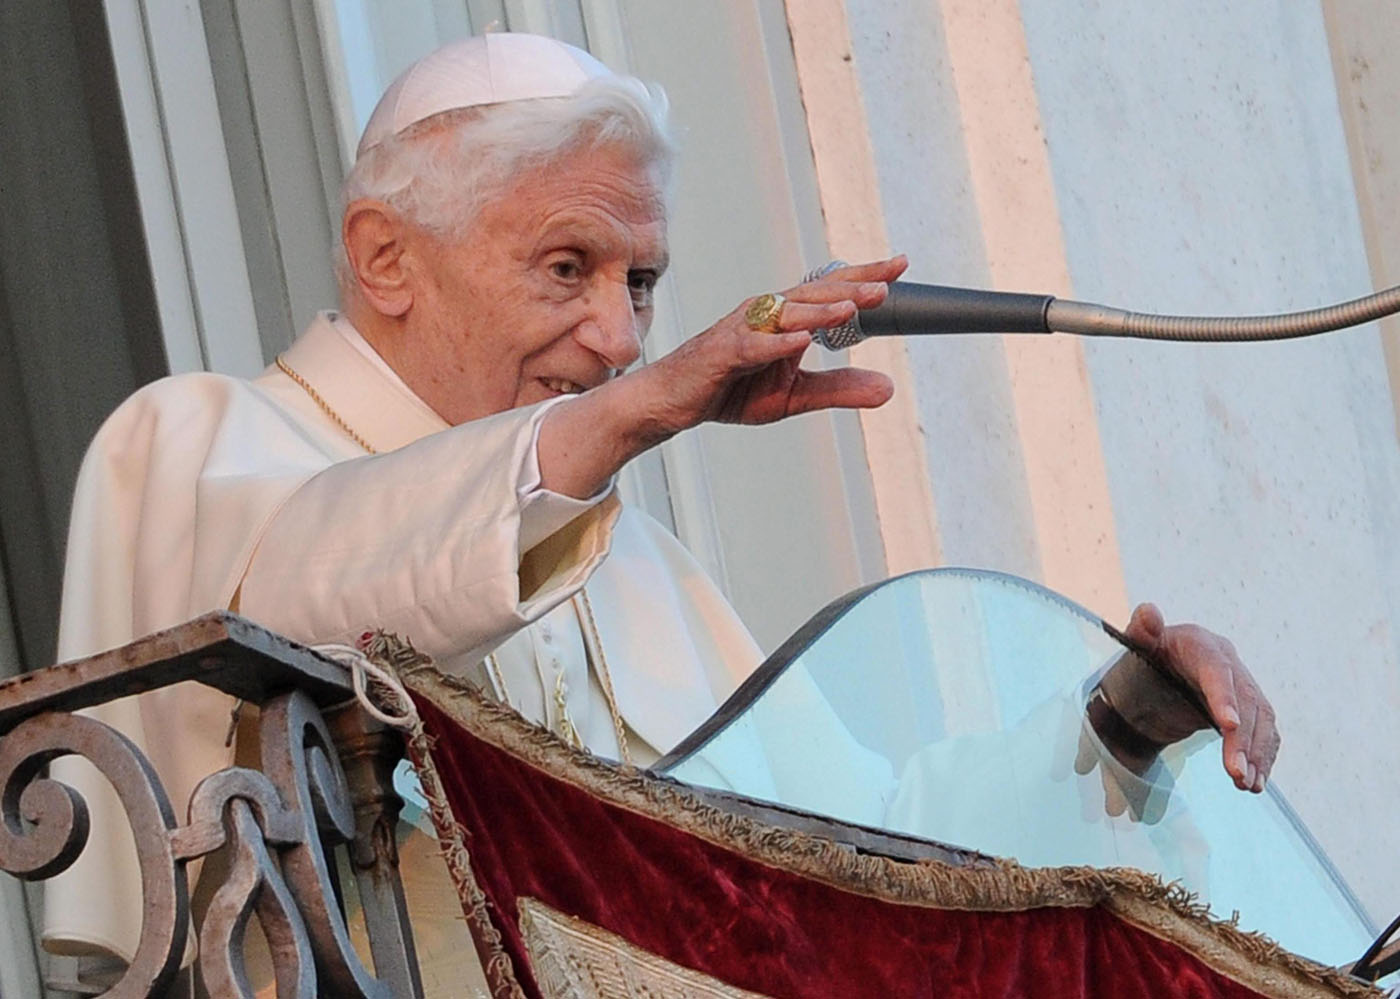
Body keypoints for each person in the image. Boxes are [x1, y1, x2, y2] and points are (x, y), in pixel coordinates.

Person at [43, 31, 1279, 976]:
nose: (621, 334)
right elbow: (317, 592)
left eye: (641, 282)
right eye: (567, 267)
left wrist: (1119, 725)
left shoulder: (642, 572)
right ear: (385, 258)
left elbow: (859, 849)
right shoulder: (203, 439)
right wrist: (636, 416)